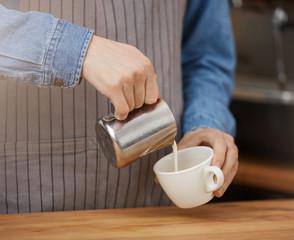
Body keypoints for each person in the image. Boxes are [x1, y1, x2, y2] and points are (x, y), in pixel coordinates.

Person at [0, 0, 238, 214]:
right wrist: (76, 50)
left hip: (153, 209)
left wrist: (204, 122)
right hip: (29, 201)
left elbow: (206, 54)